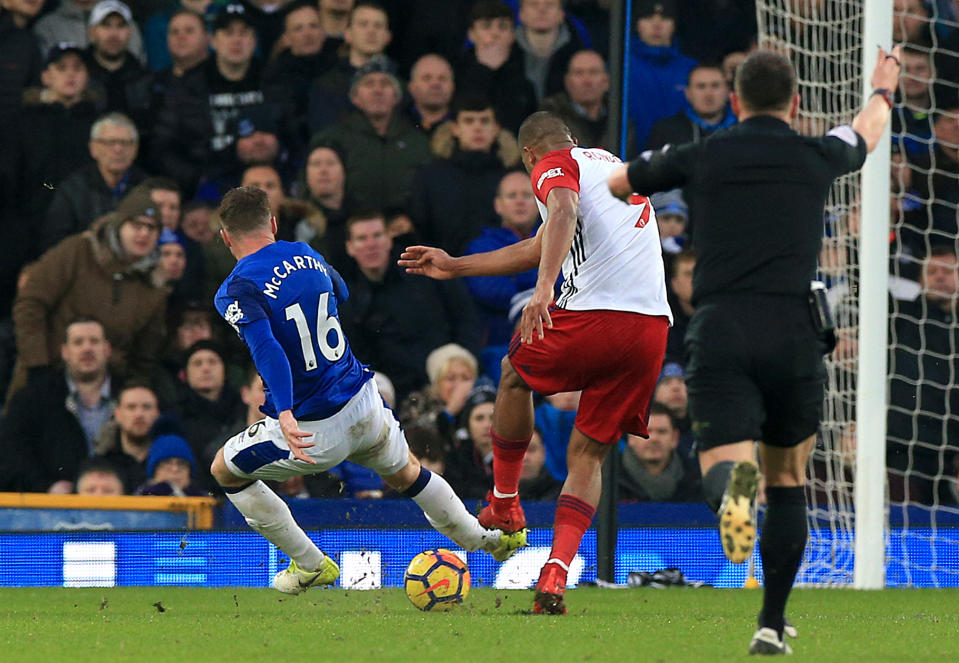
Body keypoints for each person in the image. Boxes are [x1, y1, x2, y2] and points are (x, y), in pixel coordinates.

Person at [607, 47, 902, 654]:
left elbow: (619, 183)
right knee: (790, 478)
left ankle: (731, 497)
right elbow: (867, 133)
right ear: (794, 104)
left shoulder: (705, 153)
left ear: (734, 101)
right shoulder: (815, 152)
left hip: (722, 326)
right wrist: (882, 89)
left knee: (726, 466)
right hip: (794, 326)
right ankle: (770, 621)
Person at [400, 111, 672, 614]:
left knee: (511, 376)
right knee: (588, 455)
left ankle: (504, 502)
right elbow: (542, 241)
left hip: (596, 314)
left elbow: (562, 213)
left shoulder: (553, 163)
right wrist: (456, 266)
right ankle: (555, 574)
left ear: (529, 156)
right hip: (652, 327)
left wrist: (544, 290)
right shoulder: (610, 164)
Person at [207, 186, 524, 594]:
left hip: (313, 424)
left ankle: (309, 563)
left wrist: (284, 411)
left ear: (225, 237)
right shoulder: (307, 253)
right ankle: (488, 542)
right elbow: (342, 293)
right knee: (408, 473)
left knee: (224, 471)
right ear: (272, 223)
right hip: (363, 398)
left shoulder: (236, 289)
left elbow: (266, 347)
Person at [10, 185, 167, 403]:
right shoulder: (78, 251)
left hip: (108, 393)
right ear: (119, 224)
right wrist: (37, 365)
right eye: (136, 224)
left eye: (152, 228)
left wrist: (130, 392)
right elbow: (30, 303)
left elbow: (143, 356)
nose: (144, 234)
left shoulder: (154, 287)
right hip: (46, 374)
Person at [338, 211, 482, 402]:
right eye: (362, 239)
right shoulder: (347, 301)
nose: (371, 245)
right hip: (396, 397)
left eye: (377, 236)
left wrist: (464, 367)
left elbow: (466, 318)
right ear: (350, 247)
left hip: (451, 380)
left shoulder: (424, 272)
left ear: (389, 239)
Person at [0, 317, 117, 493]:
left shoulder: (131, 397)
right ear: (65, 351)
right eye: (78, 342)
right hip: (51, 509)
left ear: (107, 349)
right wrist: (47, 487)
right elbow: (13, 453)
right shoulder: (31, 399)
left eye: (94, 341)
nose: (87, 348)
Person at [41, 111, 145, 252]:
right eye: (110, 143)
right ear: (93, 148)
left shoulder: (147, 189)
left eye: (125, 143)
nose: (118, 149)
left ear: (135, 149)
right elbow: (56, 241)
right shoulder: (72, 190)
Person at [456, 0, 537, 135]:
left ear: (513, 35)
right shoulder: (456, 72)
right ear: (471, 34)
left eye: (503, 27)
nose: (495, 33)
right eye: (486, 26)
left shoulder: (525, 74)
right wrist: (484, 71)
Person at [619, 401, 701, 502]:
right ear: (630, 437)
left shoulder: (697, 483)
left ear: (675, 438)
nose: (654, 438)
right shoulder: (607, 482)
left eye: (662, 432)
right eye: (646, 431)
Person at [646, 63, 736, 151]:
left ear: (728, 91)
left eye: (715, 86)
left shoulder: (740, 129)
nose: (708, 94)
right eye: (701, 86)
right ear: (688, 93)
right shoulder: (666, 131)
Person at [93, 381, 161, 492]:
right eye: (131, 407)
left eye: (147, 407)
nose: (139, 414)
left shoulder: (170, 463)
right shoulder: (100, 463)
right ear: (117, 414)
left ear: (157, 414)